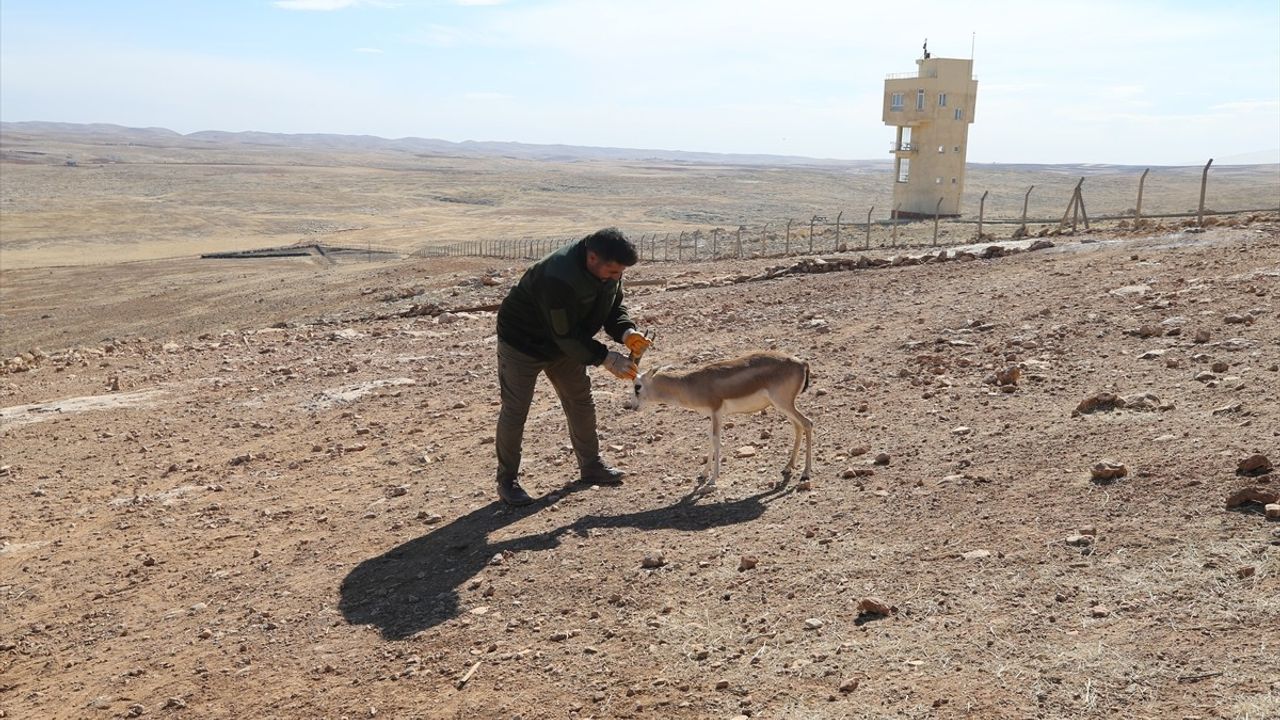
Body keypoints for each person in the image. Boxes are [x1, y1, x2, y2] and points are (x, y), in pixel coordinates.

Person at [493, 227, 653, 506]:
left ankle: (591, 465)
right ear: (592, 258)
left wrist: (627, 332)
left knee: (580, 400)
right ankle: (507, 481)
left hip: (565, 343)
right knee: (516, 409)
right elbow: (565, 335)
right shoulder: (558, 275)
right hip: (523, 344)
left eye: (620, 273)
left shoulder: (608, 269)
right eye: (614, 271)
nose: (617, 277)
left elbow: (613, 307)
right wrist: (607, 358)